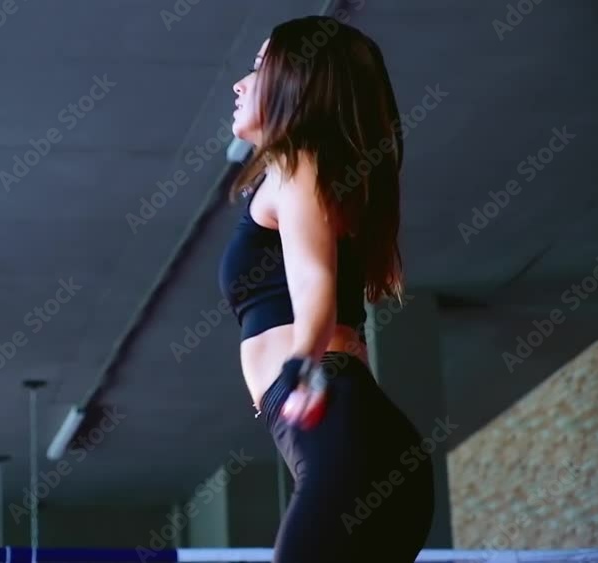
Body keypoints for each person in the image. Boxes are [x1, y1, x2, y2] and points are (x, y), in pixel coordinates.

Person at [218, 15, 436, 563]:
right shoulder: (302, 174)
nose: (240, 84)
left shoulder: (299, 165)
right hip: (357, 447)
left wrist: (302, 362)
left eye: (259, 67)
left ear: (298, 83)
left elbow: (314, 278)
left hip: (350, 447)